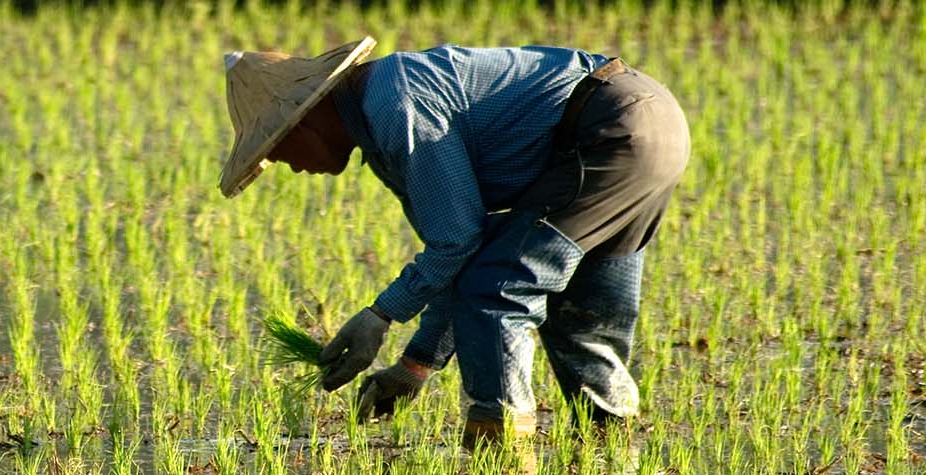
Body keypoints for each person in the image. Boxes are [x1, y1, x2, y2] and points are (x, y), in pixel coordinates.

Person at [217, 37, 689, 457]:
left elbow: (458, 244)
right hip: (651, 124)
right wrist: (414, 367)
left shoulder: (396, 105)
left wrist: (380, 316)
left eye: (274, 151)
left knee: (498, 291)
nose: (286, 165)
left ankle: (501, 456)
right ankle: (614, 451)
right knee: (580, 321)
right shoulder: (383, 114)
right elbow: (459, 254)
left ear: (303, 123)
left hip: (610, 132)